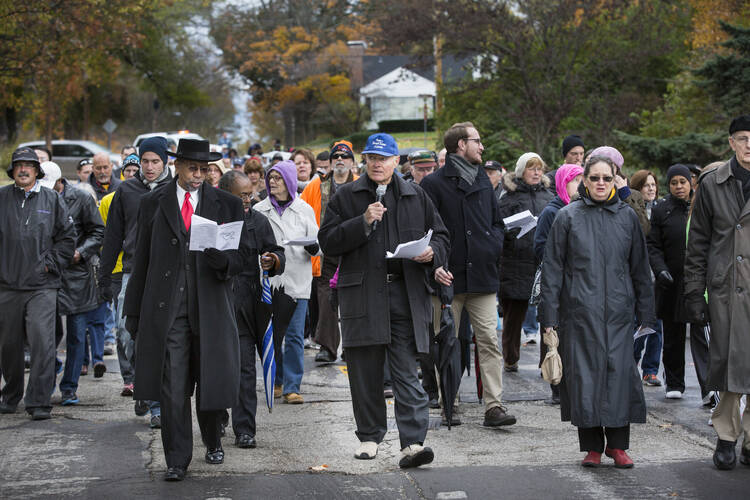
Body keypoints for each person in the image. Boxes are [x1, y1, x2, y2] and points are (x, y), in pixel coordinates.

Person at [318, 132, 450, 468]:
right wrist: (362, 221)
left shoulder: (415, 195)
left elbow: (442, 235)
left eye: (384, 158)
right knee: (365, 371)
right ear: (365, 161)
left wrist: (432, 254)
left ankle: (414, 442)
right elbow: (328, 241)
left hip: (405, 294)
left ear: (396, 162)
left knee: (407, 371)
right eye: (372, 158)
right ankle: (369, 437)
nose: (377, 164)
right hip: (361, 294)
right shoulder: (347, 196)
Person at [124, 139, 251, 481]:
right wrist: (133, 312)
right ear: (176, 166)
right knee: (172, 386)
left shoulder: (226, 204)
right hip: (169, 310)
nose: (199, 175)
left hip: (210, 306)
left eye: (206, 169)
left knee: (210, 379)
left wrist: (223, 260)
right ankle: (176, 459)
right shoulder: (153, 202)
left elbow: (242, 258)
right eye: (193, 168)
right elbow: (142, 260)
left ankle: (212, 439)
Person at [540, 154, 655, 468]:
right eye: (595, 178)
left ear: (615, 179)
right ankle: (592, 447)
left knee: (619, 378)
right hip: (579, 313)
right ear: (585, 182)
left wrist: (647, 312)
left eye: (607, 177)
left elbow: (640, 269)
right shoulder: (567, 217)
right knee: (585, 379)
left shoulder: (628, 217)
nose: (601, 183)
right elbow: (552, 269)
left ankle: (617, 446)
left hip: (619, 312)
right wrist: (548, 318)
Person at [420, 123, 516, 427]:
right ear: (461, 145)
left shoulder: (482, 180)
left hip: (483, 278)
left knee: (489, 341)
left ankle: (494, 407)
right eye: (477, 141)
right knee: (447, 343)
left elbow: (495, 222)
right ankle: (450, 402)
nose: (482, 147)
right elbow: (426, 232)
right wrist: (435, 265)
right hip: (447, 278)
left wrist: (493, 246)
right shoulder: (433, 184)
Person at [684, 115, 750, 470]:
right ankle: (726, 436)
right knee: (726, 364)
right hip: (724, 287)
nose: (749, 145)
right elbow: (698, 242)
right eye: (743, 138)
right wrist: (695, 292)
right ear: (731, 143)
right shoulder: (712, 183)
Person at [99, 137, 172, 423]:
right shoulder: (127, 190)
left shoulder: (173, 188)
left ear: (165, 161)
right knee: (126, 333)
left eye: (155, 161)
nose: (150, 167)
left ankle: (156, 404)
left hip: (165, 272)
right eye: (145, 161)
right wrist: (104, 277)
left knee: (157, 338)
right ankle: (140, 384)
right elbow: (113, 235)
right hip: (131, 271)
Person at [0, 147, 75, 420]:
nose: (23, 170)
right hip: (7, 285)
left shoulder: (52, 199)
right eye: (18, 165)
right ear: (13, 170)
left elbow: (67, 238)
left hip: (43, 285)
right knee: (9, 346)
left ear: (36, 170)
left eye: (28, 166)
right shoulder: (2, 197)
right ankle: (10, 395)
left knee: (43, 343)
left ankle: (39, 401)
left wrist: (49, 265)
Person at [218, 170, 285, 449]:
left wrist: (272, 259)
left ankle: (245, 429)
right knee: (221, 367)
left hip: (250, 302)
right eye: (241, 195)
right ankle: (217, 415)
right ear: (225, 195)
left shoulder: (259, 220)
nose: (248, 199)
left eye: (250, 194)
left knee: (246, 368)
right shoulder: (213, 219)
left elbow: (277, 251)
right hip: (220, 300)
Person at [38, 162, 106, 405]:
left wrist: (80, 252)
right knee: (44, 335)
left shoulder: (81, 198)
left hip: (76, 276)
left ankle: (69, 387)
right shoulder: (38, 197)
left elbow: (98, 231)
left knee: (77, 336)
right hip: (45, 275)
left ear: (60, 182)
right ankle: (44, 385)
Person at [254, 160, 320, 404]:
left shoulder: (304, 209)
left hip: (297, 282)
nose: (272, 182)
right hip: (269, 283)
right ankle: (278, 380)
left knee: (293, 336)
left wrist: (314, 246)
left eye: (278, 178)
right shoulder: (259, 209)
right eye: (270, 177)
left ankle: (293, 386)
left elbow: (317, 245)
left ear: (290, 181)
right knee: (273, 334)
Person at [647, 164, 709, 400]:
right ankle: (674, 382)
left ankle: (708, 387)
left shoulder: (700, 206)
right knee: (672, 336)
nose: (679, 187)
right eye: (674, 183)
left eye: (683, 182)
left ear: (691, 183)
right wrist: (660, 270)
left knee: (701, 335)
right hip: (671, 281)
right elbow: (653, 245)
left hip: (698, 281)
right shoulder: (663, 210)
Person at [300, 142, 358, 363]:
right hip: (327, 251)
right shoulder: (317, 185)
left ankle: (352, 347)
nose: (340, 160)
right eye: (336, 158)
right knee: (326, 299)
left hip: (354, 250)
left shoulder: (361, 184)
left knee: (353, 300)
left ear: (352, 162)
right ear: (331, 163)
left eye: (345, 157)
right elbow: (302, 209)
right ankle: (327, 347)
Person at [496, 152, 554, 371]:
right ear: (521, 172)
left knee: (547, 316)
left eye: (539, 168)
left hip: (541, 262)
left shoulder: (548, 197)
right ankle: (510, 359)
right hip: (515, 262)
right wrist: (509, 233)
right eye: (532, 168)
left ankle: (546, 361)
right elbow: (498, 227)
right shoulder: (508, 197)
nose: (537, 172)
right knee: (513, 315)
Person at [533, 163, 583, 404]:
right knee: (555, 333)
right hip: (558, 282)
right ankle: (557, 386)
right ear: (564, 183)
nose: (580, 186)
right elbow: (540, 247)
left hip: (578, 282)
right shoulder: (552, 211)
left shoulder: (582, 210)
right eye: (575, 181)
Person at [629, 168, 663, 387]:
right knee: (638, 324)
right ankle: (632, 363)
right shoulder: (631, 211)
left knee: (657, 325)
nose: (651, 189)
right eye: (646, 185)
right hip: (639, 277)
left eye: (653, 185)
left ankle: (650, 370)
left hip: (658, 278)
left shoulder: (661, 210)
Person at [589, 146, 650, 234]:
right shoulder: (584, 193)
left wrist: (625, 196)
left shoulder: (634, 195)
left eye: (610, 165)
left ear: (617, 169)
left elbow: (644, 229)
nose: (605, 169)